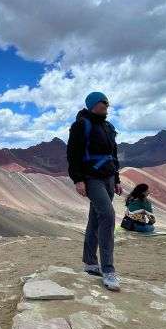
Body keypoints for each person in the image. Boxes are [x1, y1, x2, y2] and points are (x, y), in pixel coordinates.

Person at [66, 91, 122, 291]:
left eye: (107, 101)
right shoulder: (81, 125)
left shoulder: (108, 127)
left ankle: (90, 263)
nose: (107, 104)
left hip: (108, 178)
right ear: (92, 104)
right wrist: (78, 179)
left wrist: (117, 179)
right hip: (92, 178)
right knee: (108, 215)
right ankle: (108, 270)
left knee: (95, 219)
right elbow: (73, 154)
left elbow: (113, 155)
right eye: (102, 101)